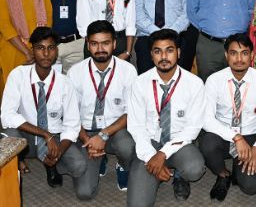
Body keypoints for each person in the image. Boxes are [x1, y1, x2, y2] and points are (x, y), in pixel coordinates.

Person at [127, 29, 206, 207]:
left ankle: (179, 174)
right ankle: (155, 170)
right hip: (150, 142)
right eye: (157, 51)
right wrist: (151, 157)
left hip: (179, 142)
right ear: (151, 55)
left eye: (169, 50)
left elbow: (193, 128)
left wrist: (163, 154)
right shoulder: (139, 83)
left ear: (178, 52)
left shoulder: (194, 83)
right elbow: (136, 126)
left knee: (194, 168)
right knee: (137, 204)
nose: (164, 56)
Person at [1, 27, 85, 186]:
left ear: (56, 51)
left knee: (78, 166)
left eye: (51, 48)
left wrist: (58, 152)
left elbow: (72, 124)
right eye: (40, 48)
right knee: (9, 134)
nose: (46, 53)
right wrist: (45, 134)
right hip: (27, 135)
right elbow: (7, 115)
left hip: (54, 137)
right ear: (32, 50)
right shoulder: (18, 75)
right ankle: (17, 162)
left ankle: (51, 163)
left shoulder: (65, 83)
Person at [67, 20, 137, 198]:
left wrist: (103, 135)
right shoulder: (75, 72)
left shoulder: (128, 71)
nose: (100, 49)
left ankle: (123, 165)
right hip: (86, 132)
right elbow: (70, 114)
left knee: (127, 147)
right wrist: (88, 140)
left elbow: (132, 112)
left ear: (114, 44)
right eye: (94, 43)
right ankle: (100, 157)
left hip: (115, 130)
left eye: (105, 43)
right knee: (84, 193)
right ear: (87, 45)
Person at [200, 33, 256, 201]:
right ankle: (223, 174)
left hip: (251, 135)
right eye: (233, 53)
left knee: (250, 187)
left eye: (244, 53)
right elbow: (206, 119)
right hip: (224, 134)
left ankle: (240, 166)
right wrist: (236, 137)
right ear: (226, 55)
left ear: (252, 55)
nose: (239, 59)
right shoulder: (214, 80)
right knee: (207, 144)